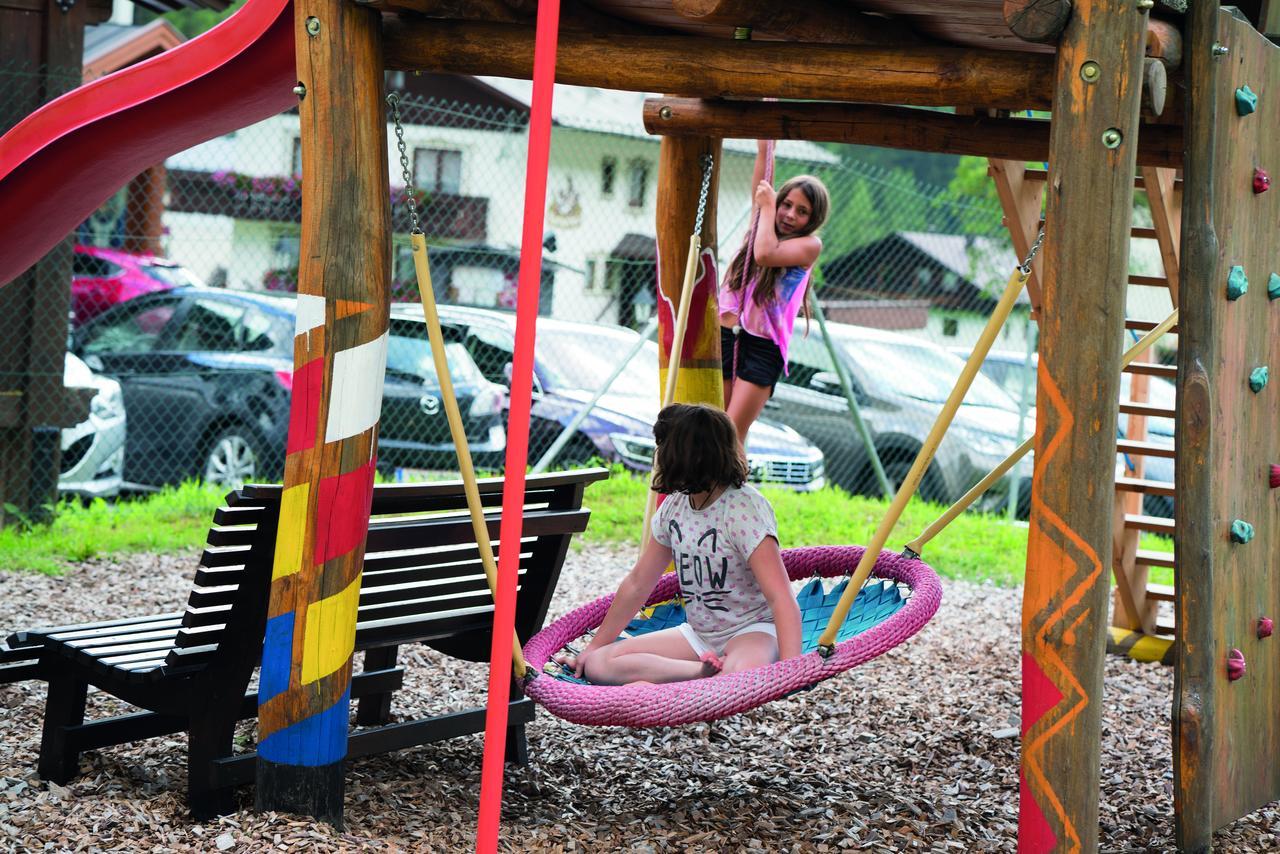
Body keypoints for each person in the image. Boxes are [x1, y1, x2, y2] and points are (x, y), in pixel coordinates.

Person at [558, 403, 802, 684]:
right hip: (699, 636)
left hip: (752, 631)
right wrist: (592, 649)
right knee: (600, 664)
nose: (658, 454)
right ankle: (700, 674)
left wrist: (792, 668)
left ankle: (700, 678)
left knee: (737, 679)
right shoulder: (675, 507)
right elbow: (639, 583)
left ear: (682, 455)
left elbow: (780, 595)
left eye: (661, 446)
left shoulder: (744, 508)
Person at [719, 140, 830, 444]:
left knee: (731, 433)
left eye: (802, 211)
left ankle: (736, 490)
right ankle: (709, 489)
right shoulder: (762, 227)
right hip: (728, 333)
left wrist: (768, 206)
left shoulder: (808, 246)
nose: (790, 214)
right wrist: (765, 149)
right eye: (787, 204)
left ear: (813, 219)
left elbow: (766, 254)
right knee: (716, 427)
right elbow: (761, 187)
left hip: (762, 348)